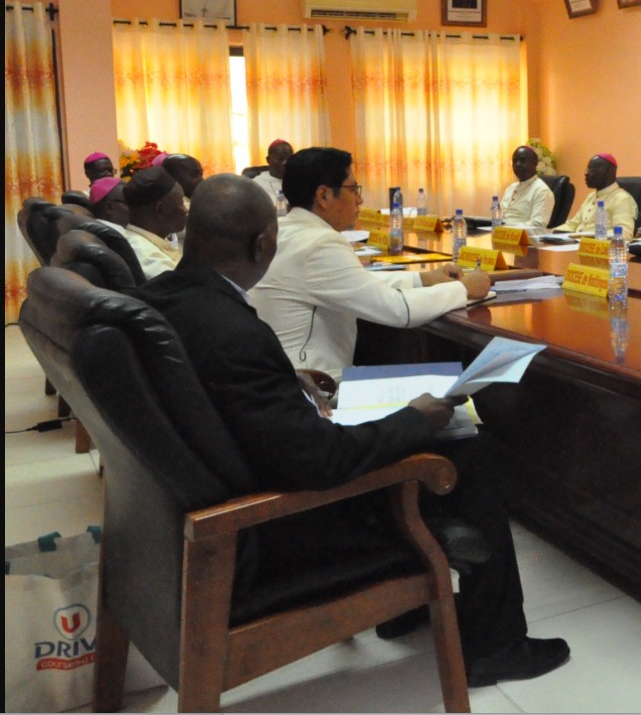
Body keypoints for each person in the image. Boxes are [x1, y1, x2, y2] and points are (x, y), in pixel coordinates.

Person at [133, 174, 570, 686]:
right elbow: (323, 462)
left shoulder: (163, 297)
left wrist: (290, 384)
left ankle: (404, 609)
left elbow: (234, 393)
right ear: (263, 244)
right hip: (280, 528)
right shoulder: (234, 332)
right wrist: (416, 418)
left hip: (229, 490)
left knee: (431, 428)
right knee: (463, 445)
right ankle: (495, 645)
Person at [250, 148, 490, 381]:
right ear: (323, 196)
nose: (360, 199)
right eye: (353, 188)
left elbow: (354, 282)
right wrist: (464, 289)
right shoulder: (318, 243)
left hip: (287, 377)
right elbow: (397, 310)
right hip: (316, 387)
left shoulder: (287, 230)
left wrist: (423, 279)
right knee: (446, 392)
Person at [122, 166, 187, 278]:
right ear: (160, 209)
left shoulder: (147, 240)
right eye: (181, 202)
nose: (186, 210)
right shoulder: (147, 256)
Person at [552, 154, 637, 234]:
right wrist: (551, 233)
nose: (586, 173)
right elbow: (573, 224)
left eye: (591, 169)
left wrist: (588, 237)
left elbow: (624, 233)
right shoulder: (591, 196)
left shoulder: (622, 199)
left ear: (607, 172)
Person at [499, 145, 556, 229]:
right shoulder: (511, 188)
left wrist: (509, 230)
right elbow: (500, 217)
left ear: (535, 162)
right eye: (515, 161)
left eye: (522, 160)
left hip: (524, 239)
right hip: (502, 235)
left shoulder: (542, 191)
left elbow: (537, 226)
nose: (517, 164)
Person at [253, 139, 293, 203]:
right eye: (280, 159)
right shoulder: (257, 184)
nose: (285, 162)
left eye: (289, 158)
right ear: (268, 160)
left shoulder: (298, 180)